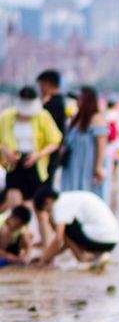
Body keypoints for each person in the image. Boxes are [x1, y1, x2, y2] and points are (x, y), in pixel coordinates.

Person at [0, 87, 63, 237]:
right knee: (16, 208)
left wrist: (38, 154)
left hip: (36, 166)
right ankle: (19, 243)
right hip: (14, 165)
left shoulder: (42, 116)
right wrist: (5, 151)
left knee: (40, 210)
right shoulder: (7, 116)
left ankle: (45, 248)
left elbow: (55, 140)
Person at [32, 187, 119, 267]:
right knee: (65, 228)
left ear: (48, 201)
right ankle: (91, 256)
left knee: (61, 226)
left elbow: (59, 239)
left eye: (47, 210)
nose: (48, 213)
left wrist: (43, 260)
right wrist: (48, 256)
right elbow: (68, 243)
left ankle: (82, 258)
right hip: (111, 240)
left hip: (101, 238)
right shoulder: (67, 198)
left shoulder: (59, 206)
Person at [59, 86, 108, 197]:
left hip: (87, 167)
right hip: (73, 166)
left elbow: (101, 144)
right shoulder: (77, 118)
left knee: (88, 197)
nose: (77, 101)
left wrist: (98, 167)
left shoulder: (96, 118)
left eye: (80, 98)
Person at [36, 70, 67, 138]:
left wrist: (42, 104)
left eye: (42, 85)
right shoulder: (61, 100)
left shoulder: (53, 103)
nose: (40, 88)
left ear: (48, 84)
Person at [106, 99, 119, 188]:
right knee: (116, 161)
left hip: (108, 142)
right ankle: (115, 178)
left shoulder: (105, 115)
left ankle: (108, 179)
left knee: (108, 161)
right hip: (118, 142)